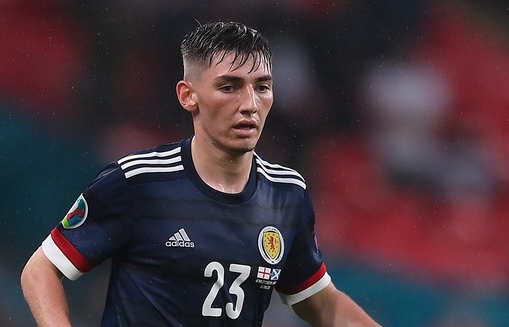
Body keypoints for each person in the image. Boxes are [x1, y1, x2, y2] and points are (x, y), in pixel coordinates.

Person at [21, 21, 381, 326]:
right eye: (229, 87)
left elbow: (318, 300)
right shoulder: (139, 181)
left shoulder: (287, 194)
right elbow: (41, 271)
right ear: (188, 95)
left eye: (262, 87)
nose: (250, 104)